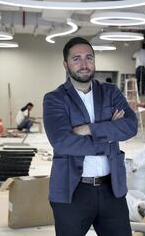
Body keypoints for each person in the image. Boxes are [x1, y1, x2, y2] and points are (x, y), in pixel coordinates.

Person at [43, 37, 138, 236]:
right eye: (76, 59)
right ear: (65, 64)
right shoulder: (55, 99)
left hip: (112, 190)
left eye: (89, 58)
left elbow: (130, 126)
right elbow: (62, 142)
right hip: (73, 191)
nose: (84, 64)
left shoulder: (110, 92)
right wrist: (110, 133)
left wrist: (88, 129)